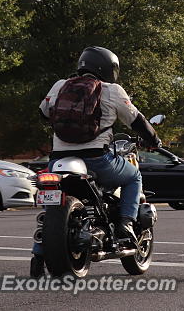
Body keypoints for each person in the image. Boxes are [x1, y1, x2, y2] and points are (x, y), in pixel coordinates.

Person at [31, 46, 161, 276]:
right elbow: (137, 121)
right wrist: (154, 140)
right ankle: (126, 223)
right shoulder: (112, 90)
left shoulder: (60, 85)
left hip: (58, 160)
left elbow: (42, 113)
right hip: (96, 159)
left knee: (53, 202)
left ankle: (39, 251)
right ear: (108, 69)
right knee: (133, 176)